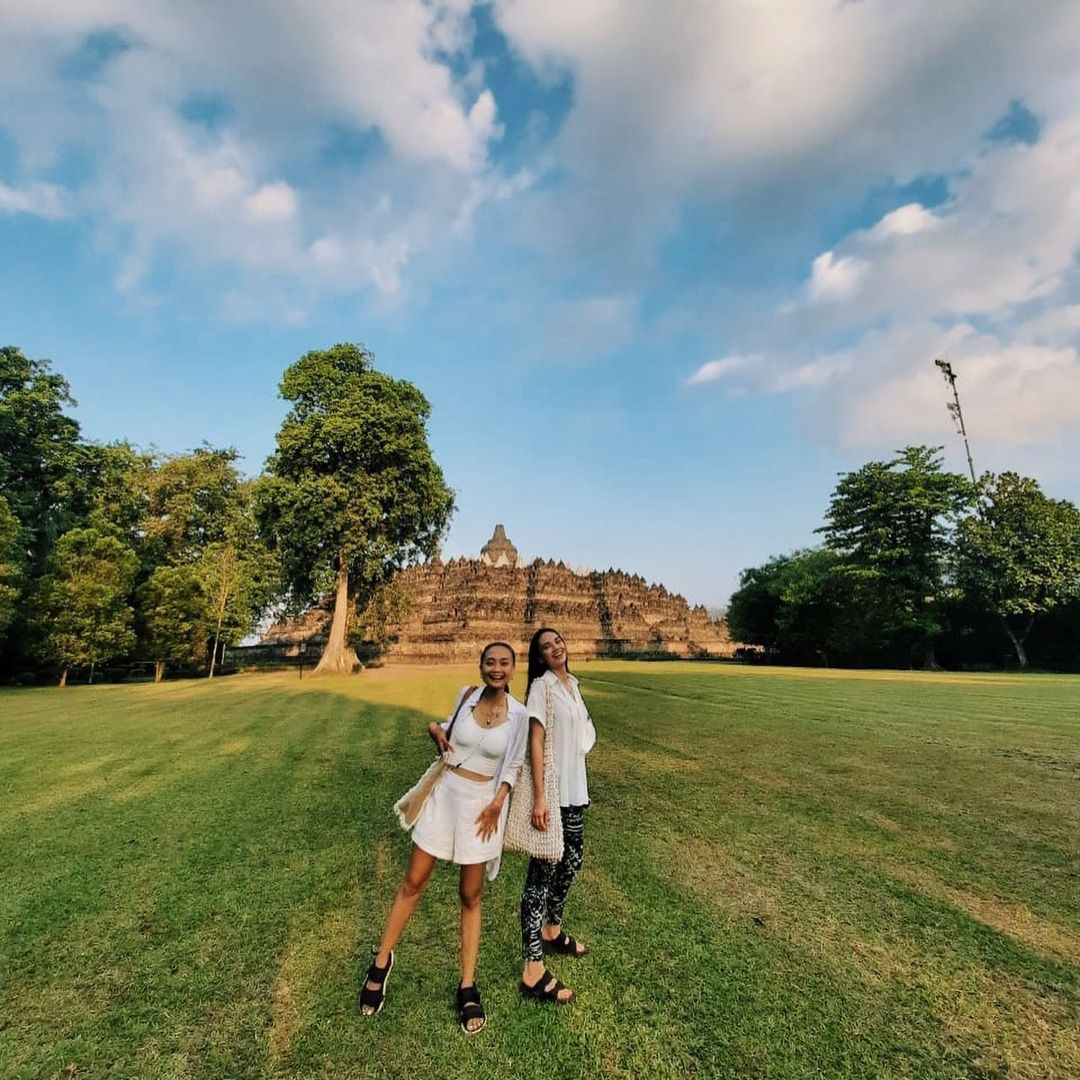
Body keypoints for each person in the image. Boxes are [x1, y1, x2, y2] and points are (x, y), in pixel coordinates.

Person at [359, 642, 528, 1034]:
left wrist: (497, 803)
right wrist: (435, 729)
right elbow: (446, 725)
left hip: (483, 807)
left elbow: (514, 765)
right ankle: (381, 961)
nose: (496, 669)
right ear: (481, 666)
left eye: (504, 663)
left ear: (513, 668)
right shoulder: (467, 695)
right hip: (446, 795)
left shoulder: (519, 715)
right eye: (490, 662)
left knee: (470, 895)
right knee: (413, 882)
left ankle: (467, 983)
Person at [519, 627, 596, 1004]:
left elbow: (582, 736)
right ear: (540, 657)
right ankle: (532, 966)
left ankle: (552, 929)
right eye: (546, 647)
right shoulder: (542, 687)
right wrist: (538, 797)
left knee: (573, 860)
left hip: (575, 791)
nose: (555, 648)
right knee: (542, 873)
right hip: (551, 793)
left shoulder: (573, 685)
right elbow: (535, 739)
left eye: (558, 641)